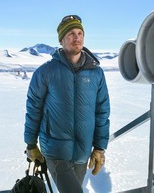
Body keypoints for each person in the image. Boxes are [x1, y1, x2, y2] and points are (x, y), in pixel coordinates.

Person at [24, 15, 110, 193]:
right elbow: (34, 110)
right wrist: (31, 144)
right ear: (62, 40)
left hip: (83, 151)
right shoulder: (45, 72)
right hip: (55, 150)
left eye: (80, 33)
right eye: (71, 34)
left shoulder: (96, 73)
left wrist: (99, 148)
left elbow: (102, 112)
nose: (77, 37)